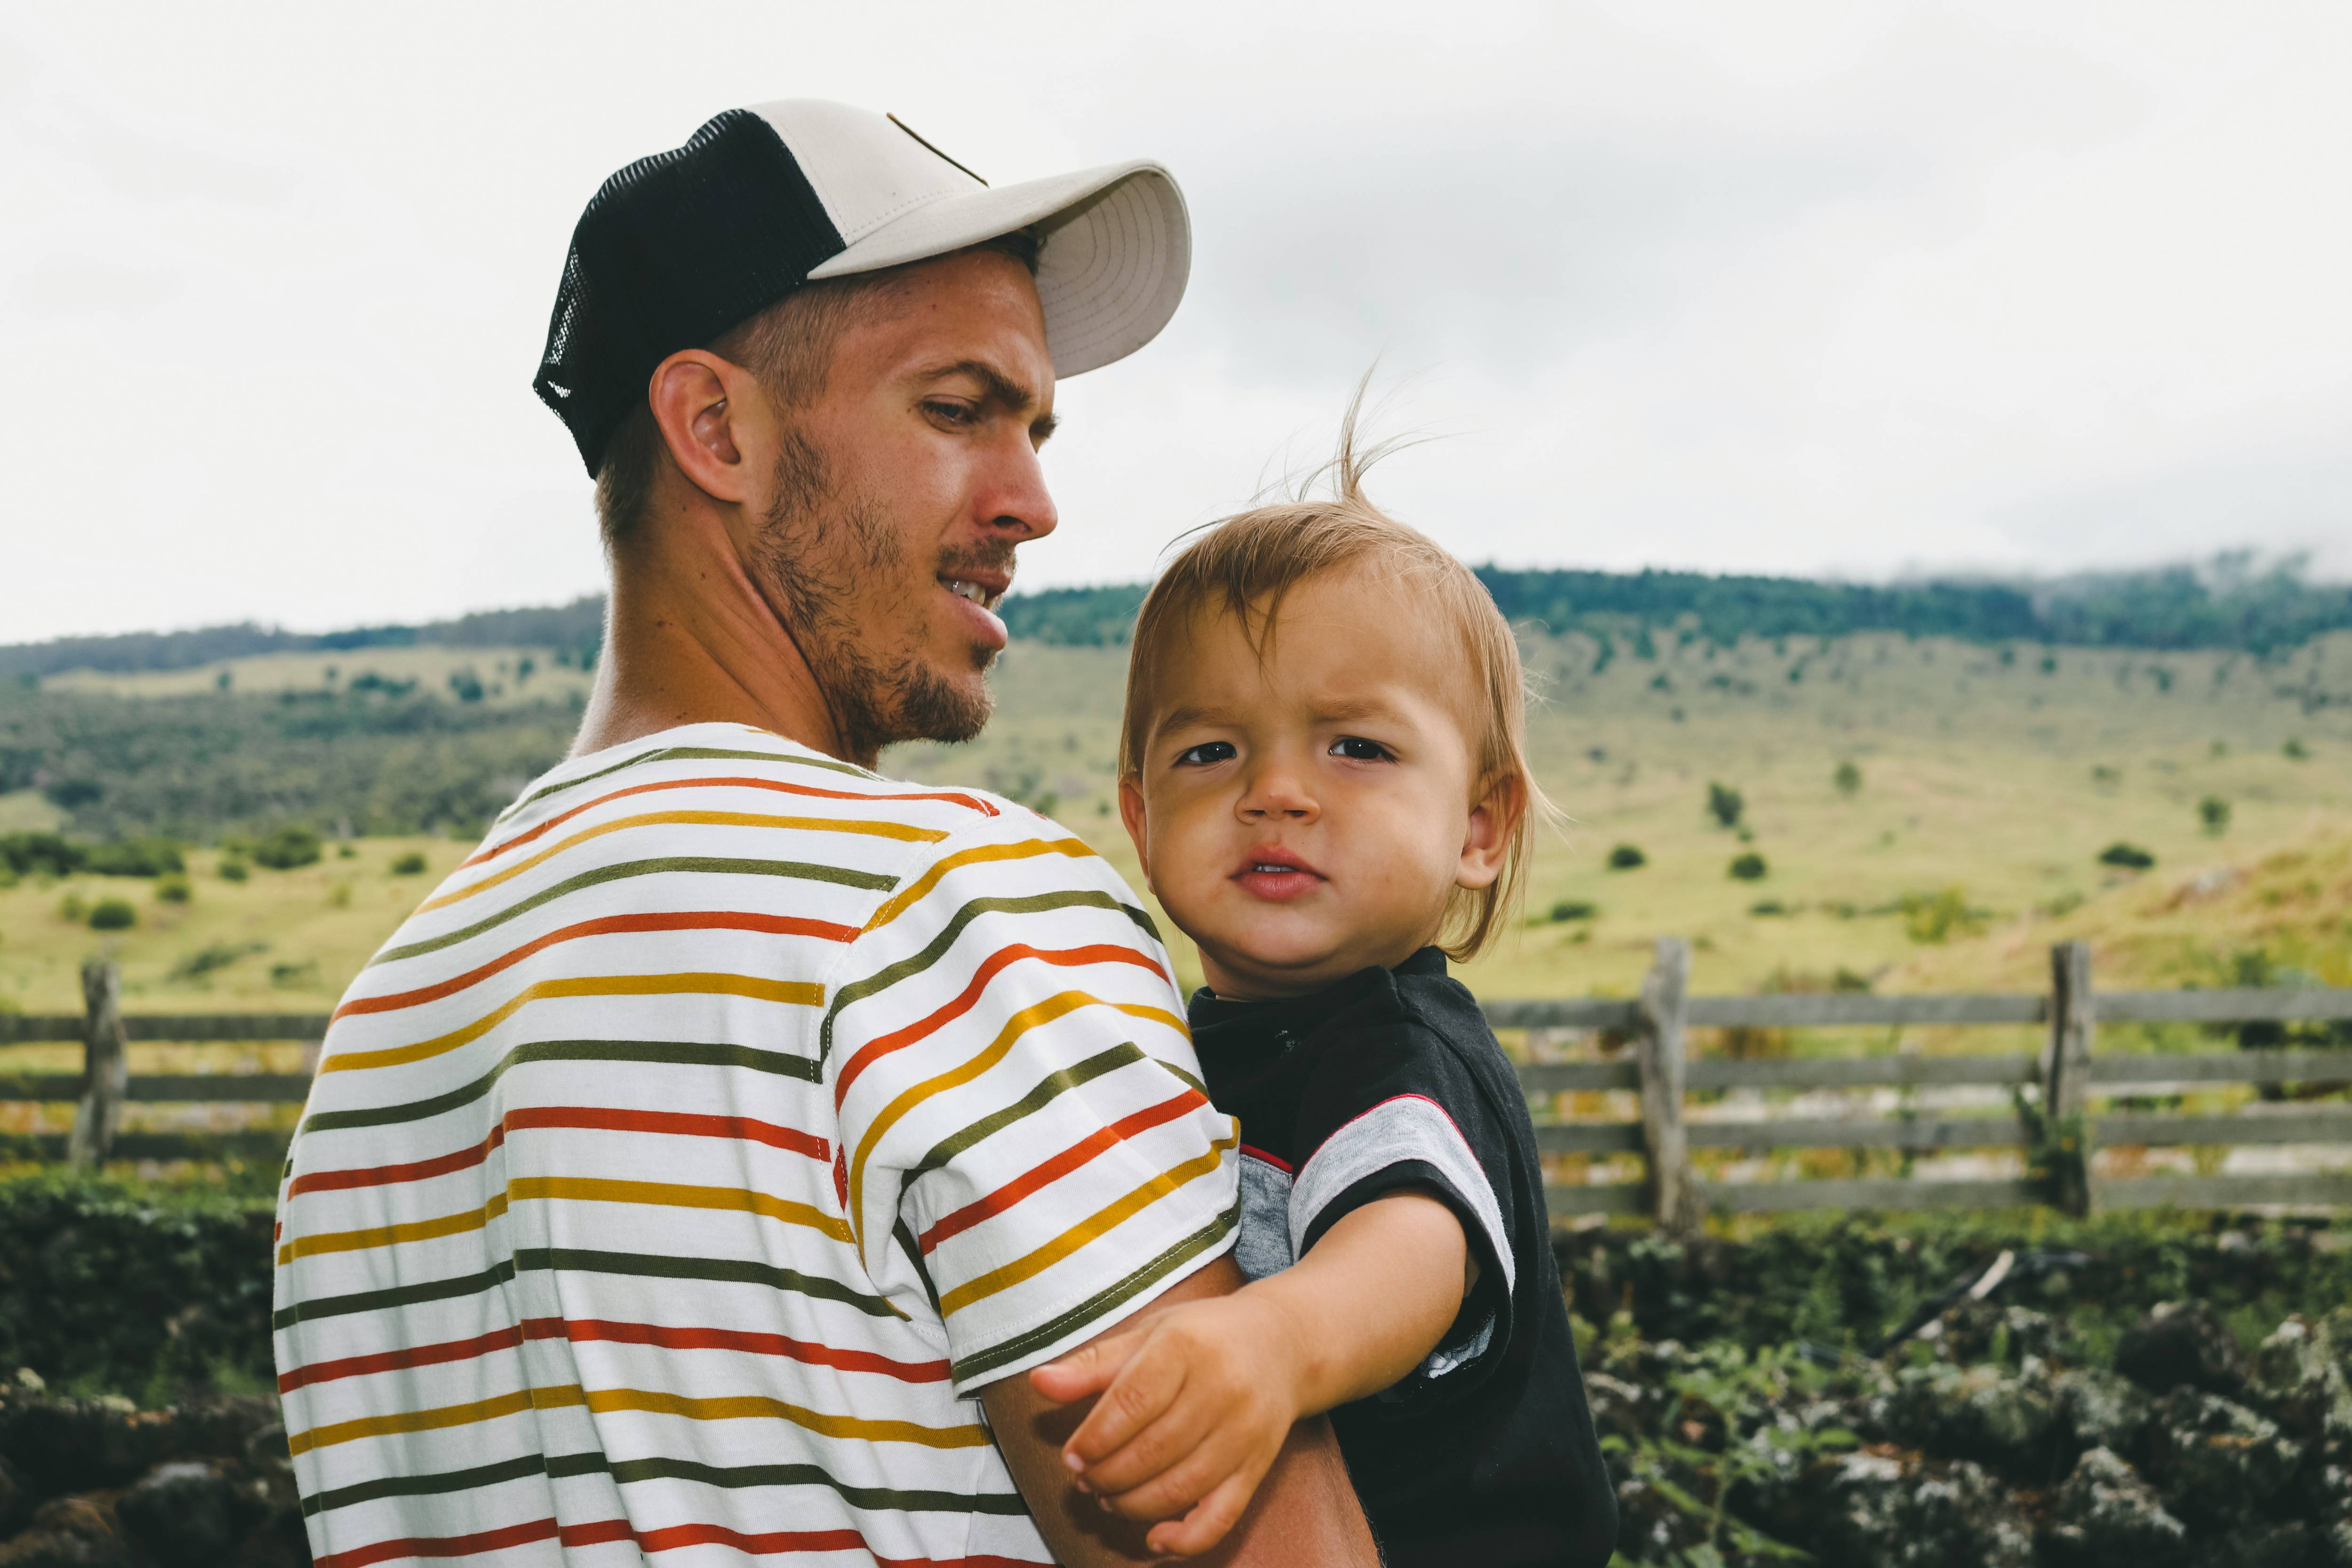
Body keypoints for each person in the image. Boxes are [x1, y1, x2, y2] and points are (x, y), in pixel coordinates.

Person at [271, 100, 1378, 1568]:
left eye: (1035, 427)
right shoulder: (957, 914)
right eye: (956, 407)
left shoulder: (377, 1042)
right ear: (718, 428)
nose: (1033, 502)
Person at [1029, 417, 1619, 1565]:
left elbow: (1412, 1242)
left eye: (1355, 746)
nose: (1278, 791)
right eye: (1210, 752)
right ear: (1140, 816)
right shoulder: (1187, 1041)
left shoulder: (1393, 1044)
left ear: (1478, 826)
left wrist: (1275, 1343)